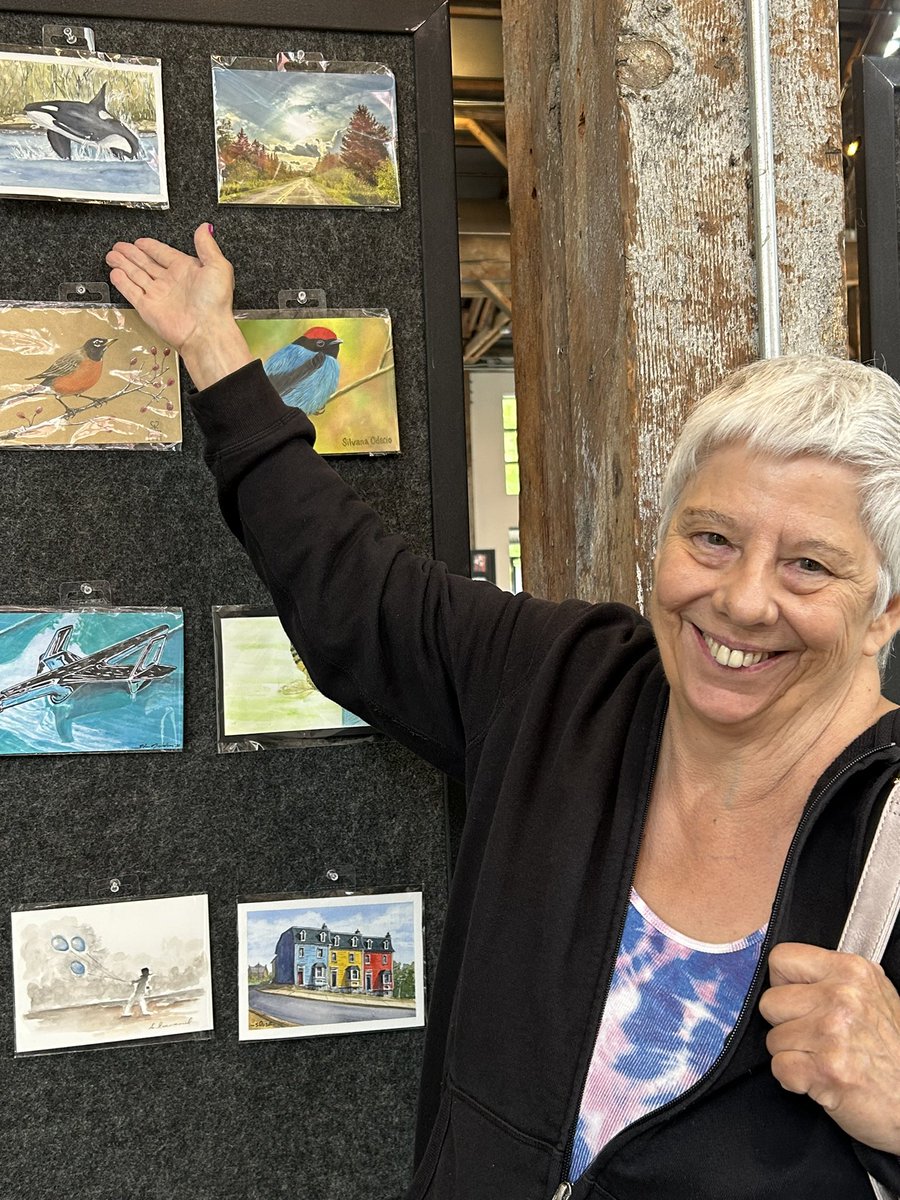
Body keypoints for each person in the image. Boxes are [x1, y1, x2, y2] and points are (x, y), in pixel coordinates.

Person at [105, 225, 900, 1199]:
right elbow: (357, 591)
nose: (741, 600)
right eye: (713, 537)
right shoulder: (562, 684)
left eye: (808, 564)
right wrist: (216, 353)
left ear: (886, 611)